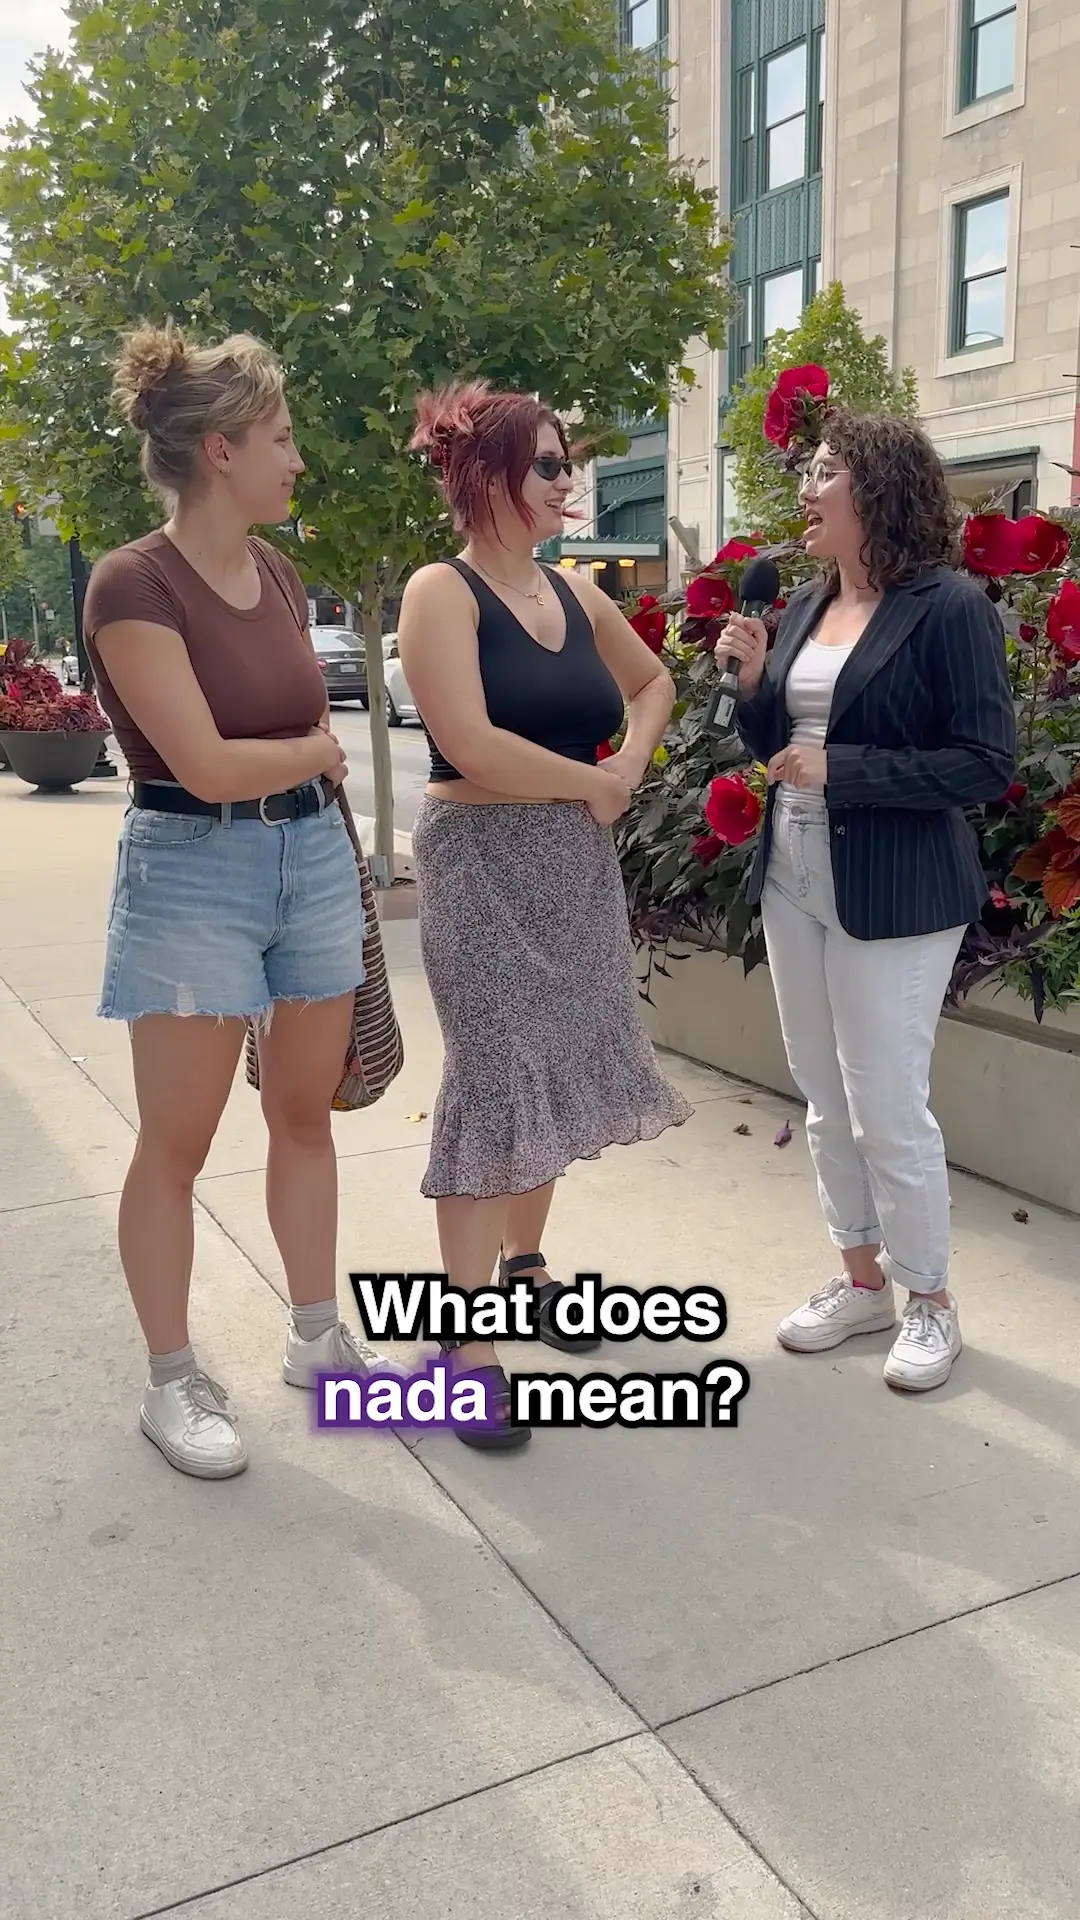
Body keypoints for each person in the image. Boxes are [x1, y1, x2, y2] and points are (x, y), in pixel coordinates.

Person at [83, 323, 396, 1481]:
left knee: (303, 1115)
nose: (296, 459)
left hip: (307, 863)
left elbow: (259, 746)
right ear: (220, 450)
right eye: (280, 437)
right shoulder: (132, 582)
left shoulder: (274, 571)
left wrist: (310, 769)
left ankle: (318, 1339)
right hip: (192, 869)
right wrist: (315, 748)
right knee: (178, 1144)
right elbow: (205, 765)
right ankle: (173, 1382)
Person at [397, 379, 693, 1451]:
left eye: (569, 463)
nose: (570, 481)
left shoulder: (576, 595)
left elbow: (656, 683)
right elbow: (467, 743)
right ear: (488, 478)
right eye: (552, 464)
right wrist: (590, 784)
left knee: (558, 1065)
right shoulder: (441, 590)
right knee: (493, 1077)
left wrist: (623, 769)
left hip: (572, 861)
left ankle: (526, 1269)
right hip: (478, 860)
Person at [723, 408, 1015, 1393]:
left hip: (895, 886)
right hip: (795, 877)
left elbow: (983, 764)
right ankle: (863, 1283)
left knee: (886, 1101)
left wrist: (841, 769)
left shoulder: (949, 607)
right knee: (823, 1093)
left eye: (824, 472)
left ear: (877, 490)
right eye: (808, 471)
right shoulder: (803, 605)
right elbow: (774, 750)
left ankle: (931, 1299)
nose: (806, 490)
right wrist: (759, 686)